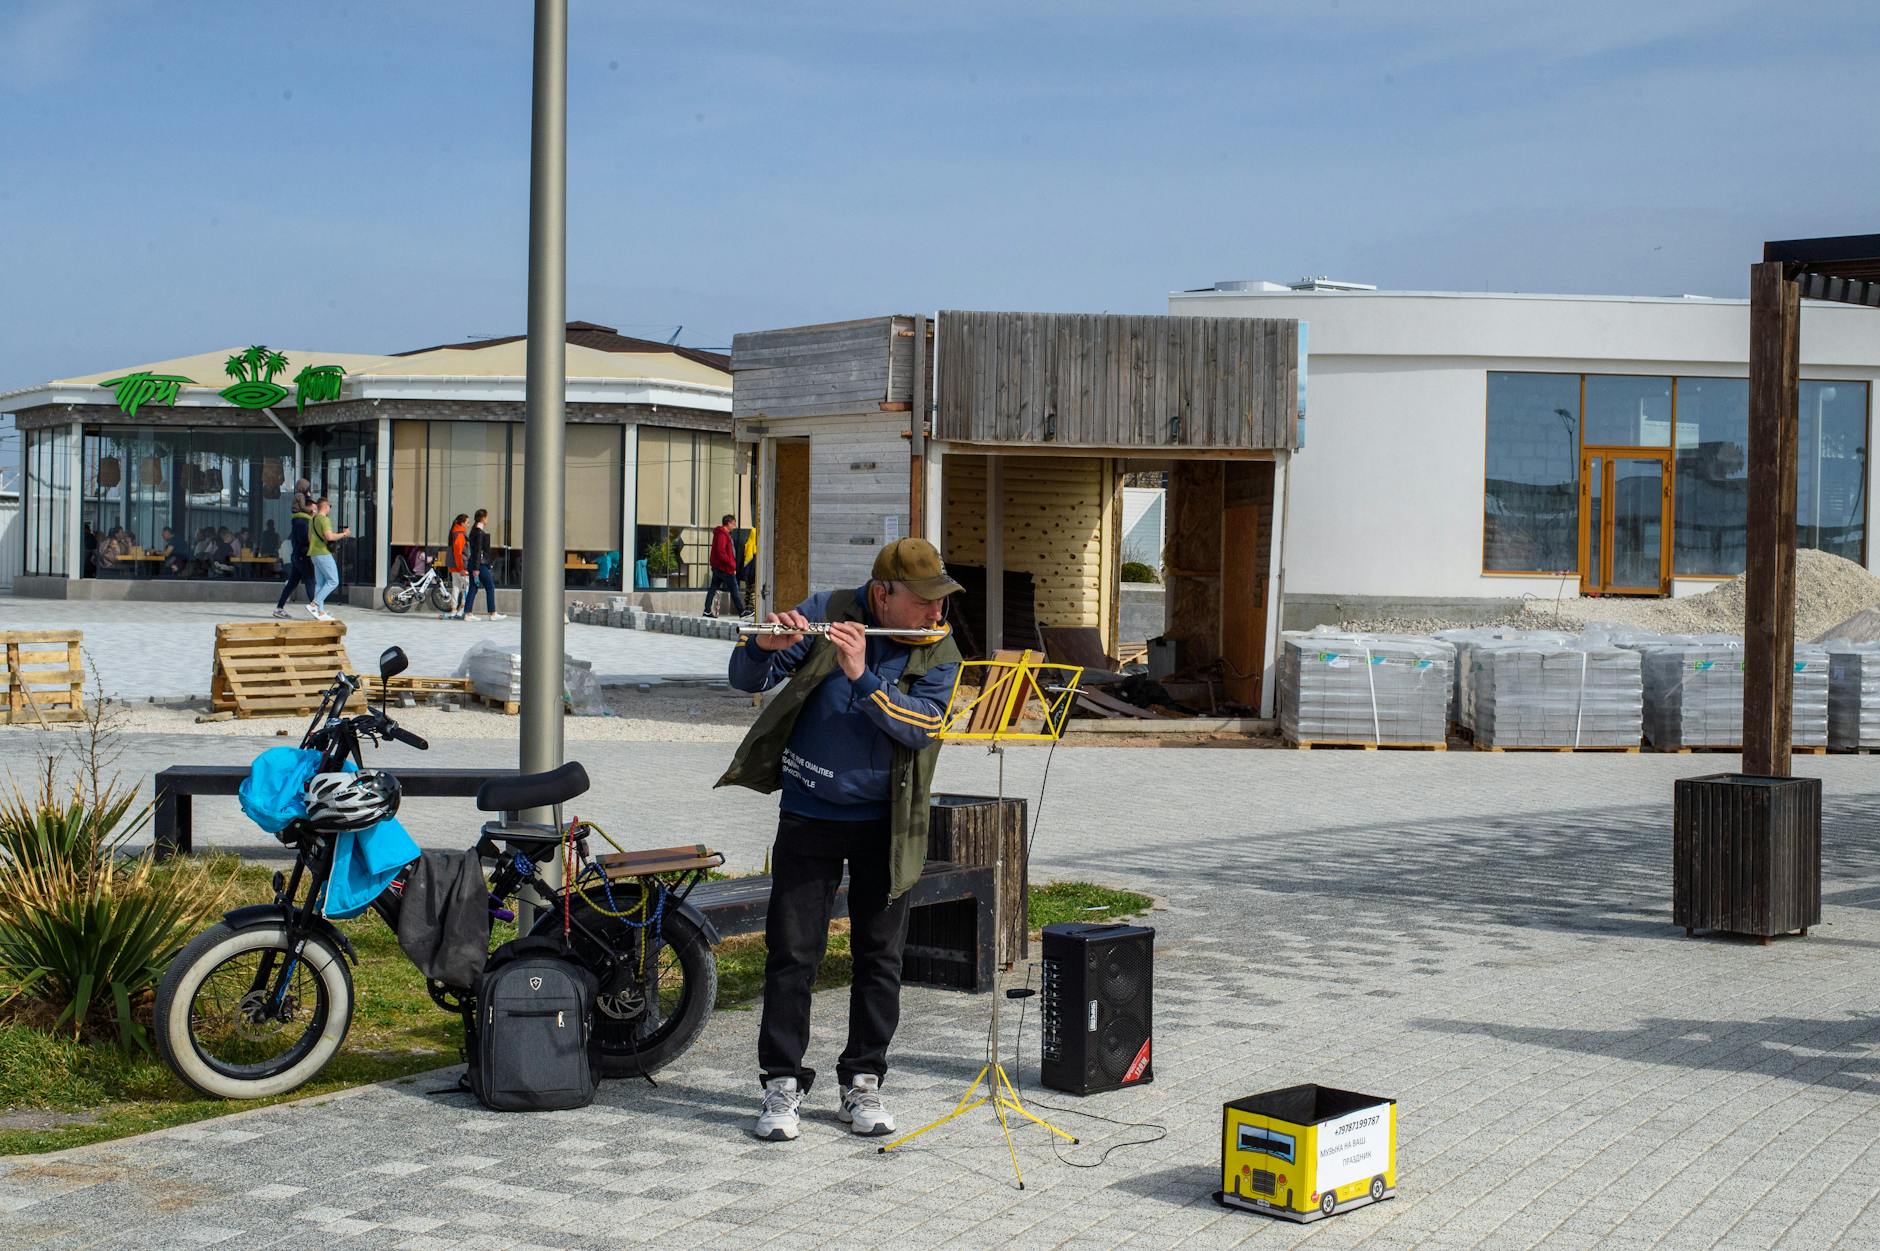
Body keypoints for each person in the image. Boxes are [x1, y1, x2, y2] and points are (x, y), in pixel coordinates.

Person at [721, 538, 963, 1143]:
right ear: (882, 594)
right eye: (924, 601)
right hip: (810, 813)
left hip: (886, 822)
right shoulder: (827, 609)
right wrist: (762, 647)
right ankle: (781, 1082)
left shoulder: (941, 648)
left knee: (879, 957)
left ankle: (862, 1080)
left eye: (940, 601)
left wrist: (860, 675)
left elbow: (922, 727)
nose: (936, 613)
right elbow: (743, 679)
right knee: (792, 953)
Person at [273, 497, 316, 618]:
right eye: (314, 508)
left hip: (298, 556)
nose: (315, 511)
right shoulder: (303, 521)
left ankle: (279, 608)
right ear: (307, 508)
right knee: (310, 580)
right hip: (303, 556)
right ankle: (317, 609)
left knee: (292, 583)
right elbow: (303, 539)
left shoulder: (301, 520)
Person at [308, 497, 350, 621]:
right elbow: (329, 537)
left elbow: (309, 538)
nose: (330, 509)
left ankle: (320, 612)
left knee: (320, 583)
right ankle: (314, 604)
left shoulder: (312, 519)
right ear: (326, 507)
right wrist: (344, 534)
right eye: (330, 507)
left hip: (314, 553)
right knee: (333, 581)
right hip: (323, 553)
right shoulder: (324, 519)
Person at [466, 508, 504, 620]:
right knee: (490, 587)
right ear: (483, 518)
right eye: (486, 517)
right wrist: (476, 568)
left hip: (474, 563)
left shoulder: (474, 531)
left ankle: (468, 613)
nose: (487, 519)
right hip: (479, 565)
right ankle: (492, 613)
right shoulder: (479, 532)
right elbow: (478, 551)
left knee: (473, 587)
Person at [703, 514, 742, 619]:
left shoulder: (723, 534)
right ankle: (742, 611)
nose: (734, 526)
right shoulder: (722, 534)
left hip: (720, 567)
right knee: (734, 588)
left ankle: (707, 610)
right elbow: (721, 552)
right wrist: (731, 564)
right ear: (728, 523)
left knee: (713, 588)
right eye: (733, 523)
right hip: (724, 568)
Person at [441, 513, 470, 620]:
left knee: (456, 587)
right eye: (467, 522)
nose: (468, 524)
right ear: (462, 523)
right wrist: (461, 568)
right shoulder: (460, 535)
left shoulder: (453, 533)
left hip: (453, 567)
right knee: (467, 586)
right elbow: (458, 553)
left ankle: (453, 609)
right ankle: (462, 608)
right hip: (461, 567)